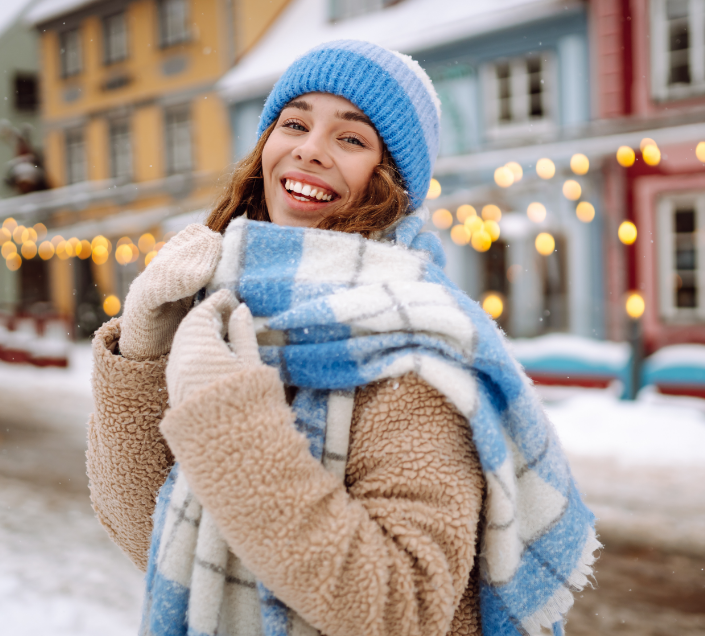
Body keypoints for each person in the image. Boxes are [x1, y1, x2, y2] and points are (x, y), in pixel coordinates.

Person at [86, 41, 598, 636]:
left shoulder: (412, 350)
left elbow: (397, 608)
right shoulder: (227, 311)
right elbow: (144, 532)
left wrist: (228, 425)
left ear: (391, 182)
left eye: (350, 138)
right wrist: (146, 349)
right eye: (295, 123)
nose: (309, 148)